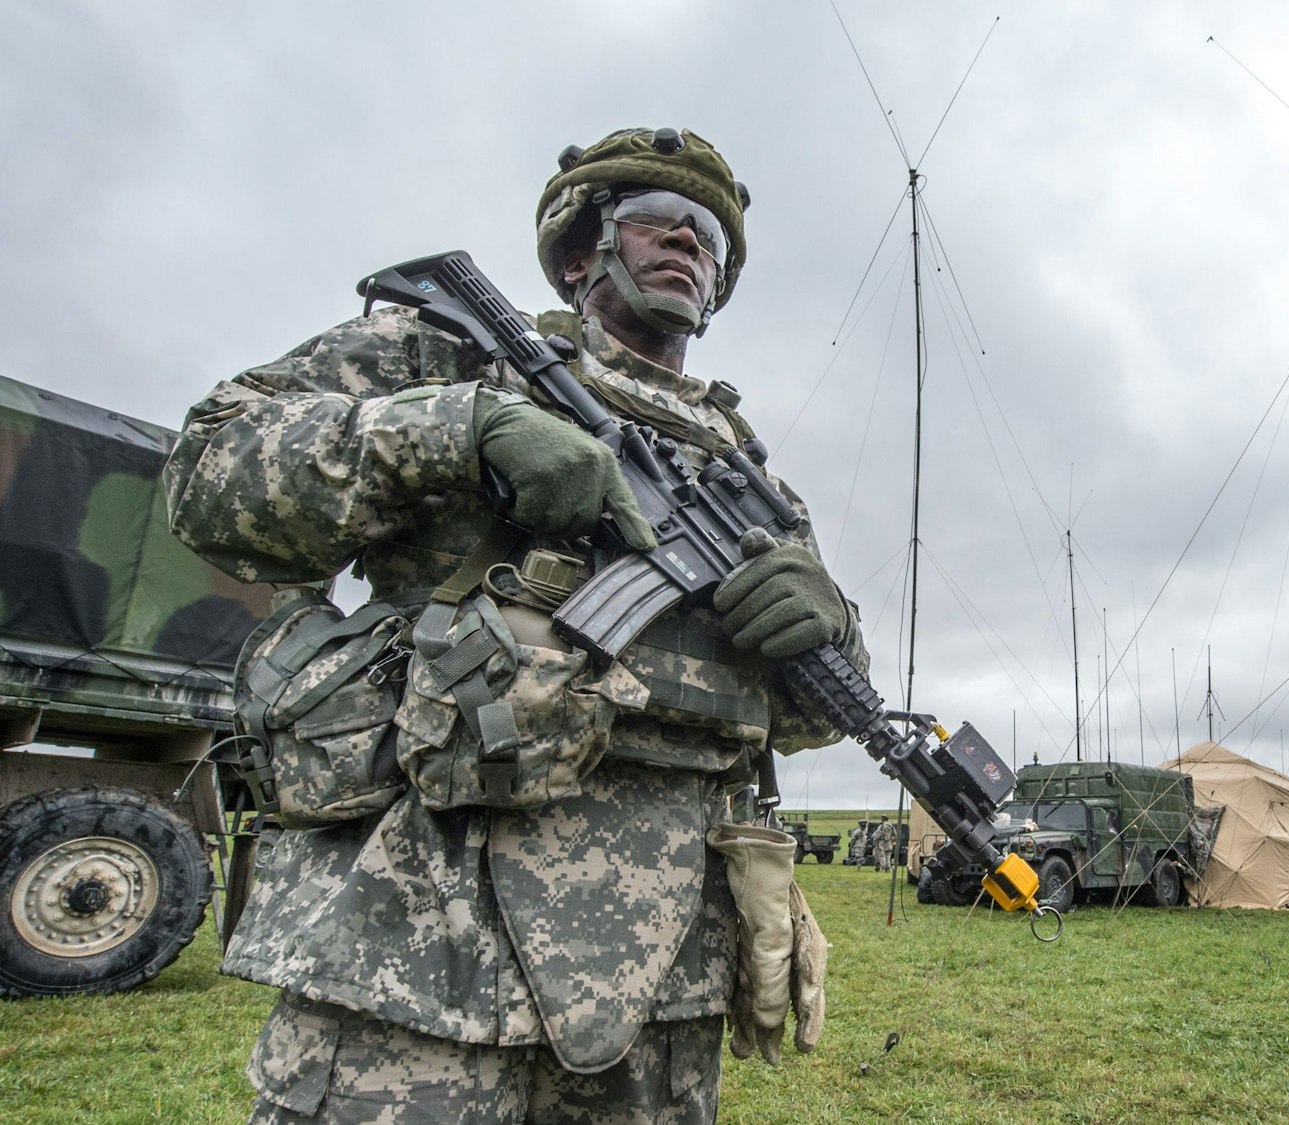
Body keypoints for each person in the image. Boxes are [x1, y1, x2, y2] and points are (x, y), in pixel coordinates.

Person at [166, 127, 865, 1124]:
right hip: (427, 916)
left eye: (708, 234)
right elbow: (211, 473)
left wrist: (827, 626)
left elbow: (811, 715)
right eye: (657, 221)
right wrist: (454, 430)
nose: (689, 244)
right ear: (583, 250)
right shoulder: (448, 356)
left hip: (661, 959)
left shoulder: (752, 483)